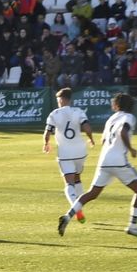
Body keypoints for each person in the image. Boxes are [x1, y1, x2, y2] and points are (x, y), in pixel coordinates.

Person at [69, 93, 137, 238]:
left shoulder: (111, 119)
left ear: (117, 105)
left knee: (92, 193)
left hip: (104, 161)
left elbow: (104, 141)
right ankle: (133, 226)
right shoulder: (129, 117)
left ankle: (68, 216)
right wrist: (130, 149)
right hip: (119, 161)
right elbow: (123, 132)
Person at [43, 87, 97, 237]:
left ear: (60, 100)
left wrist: (45, 143)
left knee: (69, 184)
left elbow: (47, 131)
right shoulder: (78, 111)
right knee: (78, 177)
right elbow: (86, 126)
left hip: (65, 152)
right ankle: (79, 206)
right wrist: (91, 139)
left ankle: (76, 209)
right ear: (70, 99)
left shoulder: (54, 114)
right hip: (80, 151)